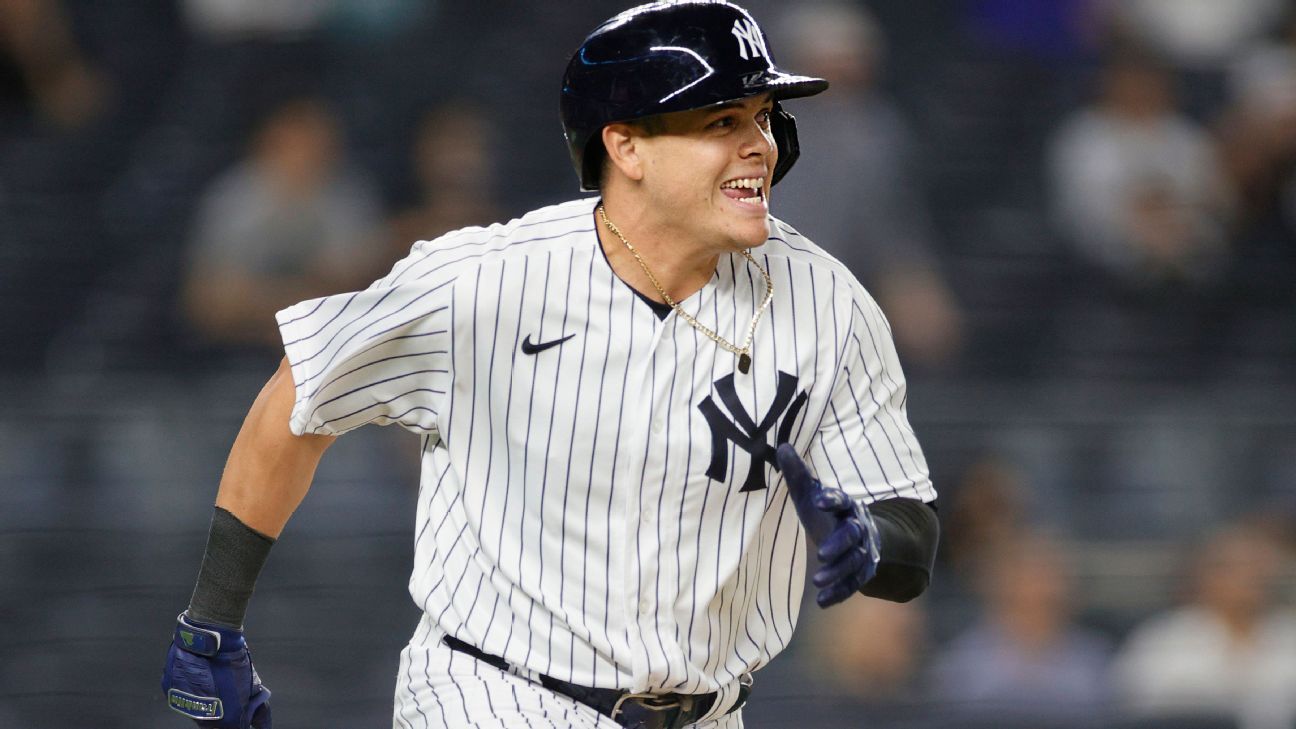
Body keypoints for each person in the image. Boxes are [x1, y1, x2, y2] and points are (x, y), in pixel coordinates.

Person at [159, 3, 940, 728]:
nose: (759, 144)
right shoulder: (488, 280)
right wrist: (211, 625)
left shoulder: (827, 303)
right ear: (625, 144)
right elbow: (300, 396)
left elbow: (911, 531)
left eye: (765, 117)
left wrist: (870, 539)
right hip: (493, 692)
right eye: (722, 119)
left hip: (709, 710)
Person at [1111, 524, 1296, 729]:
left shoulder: (1289, 633)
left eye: (1257, 567)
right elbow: (1134, 710)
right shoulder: (1162, 639)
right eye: (1233, 568)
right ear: (1201, 575)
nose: (1250, 578)